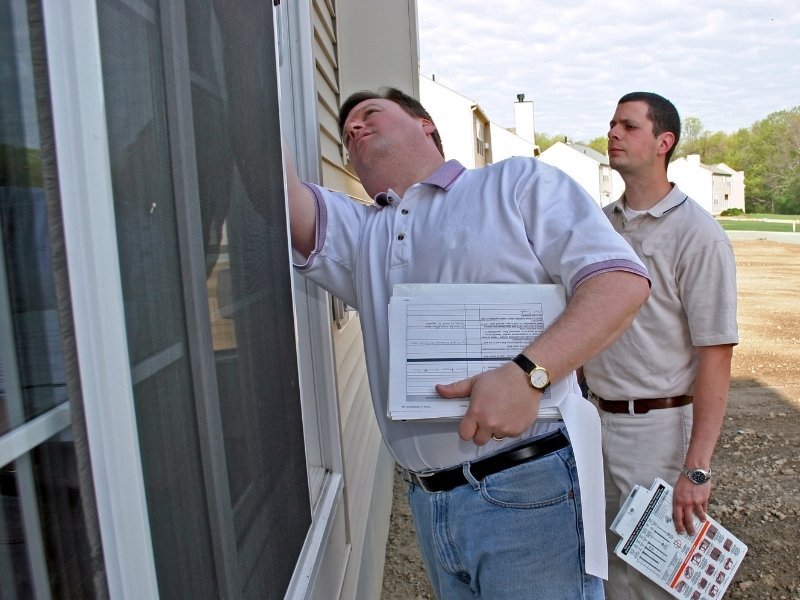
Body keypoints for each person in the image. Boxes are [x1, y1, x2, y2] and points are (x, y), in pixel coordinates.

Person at [286, 87, 651, 599]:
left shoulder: (516, 182)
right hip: (429, 498)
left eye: (371, 115)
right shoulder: (364, 232)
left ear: (425, 124)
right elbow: (281, 192)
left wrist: (530, 373)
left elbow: (619, 282)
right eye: (346, 133)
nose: (355, 130)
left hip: (529, 488)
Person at [582, 92, 738, 600]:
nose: (613, 134)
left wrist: (696, 468)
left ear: (663, 142)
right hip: (592, 423)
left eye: (628, 126)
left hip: (658, 431)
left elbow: (716, 354)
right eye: (611, 124)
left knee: (654, 580)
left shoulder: (699, 236)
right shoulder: (597, 226)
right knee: (602, 570)